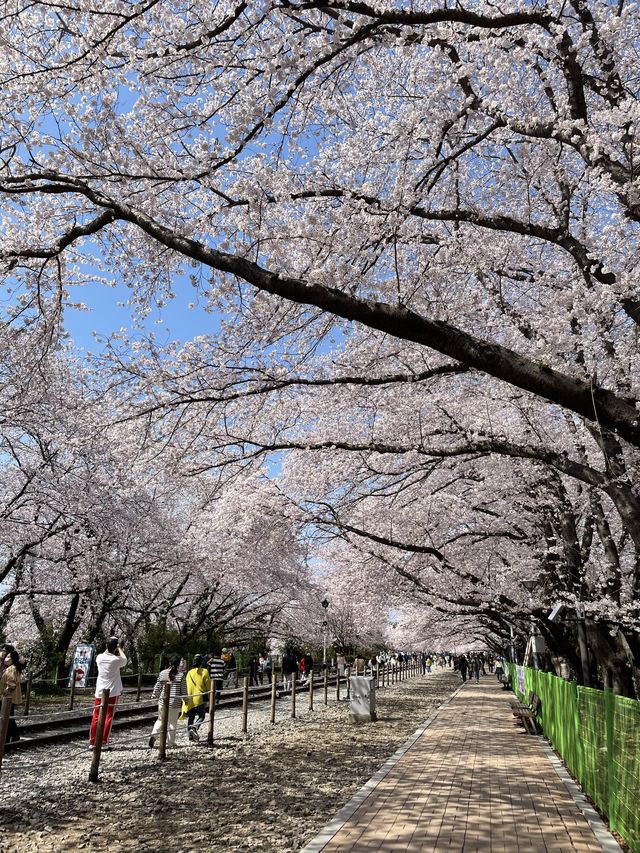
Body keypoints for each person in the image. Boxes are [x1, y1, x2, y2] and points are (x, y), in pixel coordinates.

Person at [89, 637, 127, 749]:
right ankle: (104, 742)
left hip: (100, 691)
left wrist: (112, 646)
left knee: (96, 716)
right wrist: (119, 648)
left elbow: (106, 652)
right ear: (115, 647)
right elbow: (124, 659)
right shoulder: (116, 660)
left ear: (106, 646)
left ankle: (92, 742)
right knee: (108, 717)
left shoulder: (99, 658)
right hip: (112, 692)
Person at [149, 656, 188, 748]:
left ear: (169, 663)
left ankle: (154, 735)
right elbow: (183, 690)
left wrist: (154, 696)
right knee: (172, 723)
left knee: (160, 720)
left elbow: (157, 687)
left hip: (163, 702)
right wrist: (186, 701)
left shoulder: (162, 673)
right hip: (175, 703)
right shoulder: (181, 675)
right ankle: (171, 743)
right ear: (178, 665)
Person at [183, 655, 211, 742]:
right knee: (201, 715)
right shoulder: (205, 671)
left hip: (190, 697)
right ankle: (194, 728)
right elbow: (208, 686)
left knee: (191, 717)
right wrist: (210, 697)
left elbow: (186, 685)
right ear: (201, 662)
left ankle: (190, 736)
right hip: (199, 698)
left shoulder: (189, 672)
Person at [0, 649, 24, 742]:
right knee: (9, 717)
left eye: (9, 657)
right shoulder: (13, 668)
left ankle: (6, 738)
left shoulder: (11, 668)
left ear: (13, 659)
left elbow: (11, 684)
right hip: (11, 698)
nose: (6, 659)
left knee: (6, 717)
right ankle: (14, 736)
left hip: (7, 698)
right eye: (6, 656)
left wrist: (4, 694)